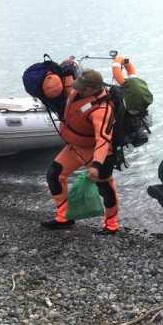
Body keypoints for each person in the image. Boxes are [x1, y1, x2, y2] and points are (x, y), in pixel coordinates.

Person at [42, 69, 120, 235]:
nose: (79, 90)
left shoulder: (102, 109)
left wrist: (97, 166)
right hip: (75, 146)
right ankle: (64, 218)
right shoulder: (80, 92)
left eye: (84, 88)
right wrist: (65, 71)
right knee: (54, 175)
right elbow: (69, 89)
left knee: (105, 188)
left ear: (94, 88)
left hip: (96, 152)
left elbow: (103, 139)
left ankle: (111, 224)